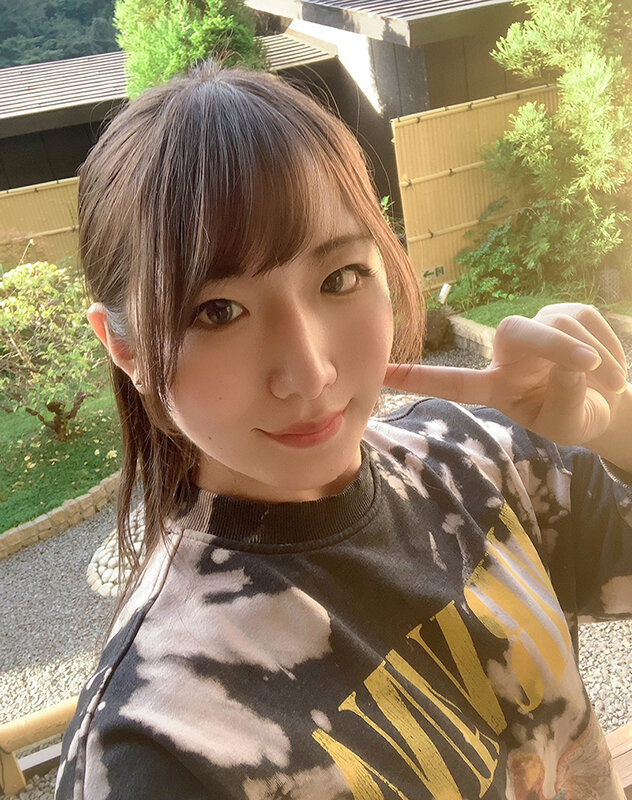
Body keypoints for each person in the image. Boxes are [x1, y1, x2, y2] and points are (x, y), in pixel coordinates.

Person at [55, 59, 632, 800]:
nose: (310, 371)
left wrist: (612, 423)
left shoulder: (478, 461)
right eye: (218, 312)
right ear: (127, 349)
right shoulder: (156, 743)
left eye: (339, 278)